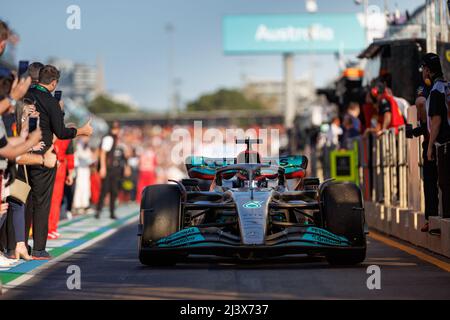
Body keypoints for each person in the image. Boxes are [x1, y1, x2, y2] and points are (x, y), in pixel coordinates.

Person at [23, 65, 93, 260]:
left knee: (22, 201)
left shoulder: (25, 95)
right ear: (53, 83)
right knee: (41, 202)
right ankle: (38, 248)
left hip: (21, 152)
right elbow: (61, 132)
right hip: (43, 156)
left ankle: (18, 244)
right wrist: (81, 131)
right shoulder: (50, 101)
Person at [421, 53, 450, 225]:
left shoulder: (435, 90)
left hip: (443, 143)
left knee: (440, 184)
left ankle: (435, 222)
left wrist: (430, 146)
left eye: (423, 69)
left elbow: (436, 121)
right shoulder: (446, 86)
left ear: (427, 70)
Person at [407, 86, 439, 233]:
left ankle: (431, 219)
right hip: (442, 141)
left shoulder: (428, 90)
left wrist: (429, 143)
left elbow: (420, 102)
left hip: (433, 142)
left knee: (431, 183)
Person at [96, 121, 128, 219]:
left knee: (114, 191)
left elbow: (124, 155)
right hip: (109, 168)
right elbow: (103, 153)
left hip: (116, 169)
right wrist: (103, 167)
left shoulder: (116, 139)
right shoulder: (109, 138)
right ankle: (99, 210)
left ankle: (112, 212)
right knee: (104, 190)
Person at [73, 137, 94, 214]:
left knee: (86, 187)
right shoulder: (79, 145)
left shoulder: (87, 145)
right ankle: (78, 206)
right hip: (80, 169)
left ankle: (85, 205)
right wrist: (90, 158)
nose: (87, 139)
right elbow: (82, 156)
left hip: (86, 168)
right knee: (79, 187)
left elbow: (90, 157)